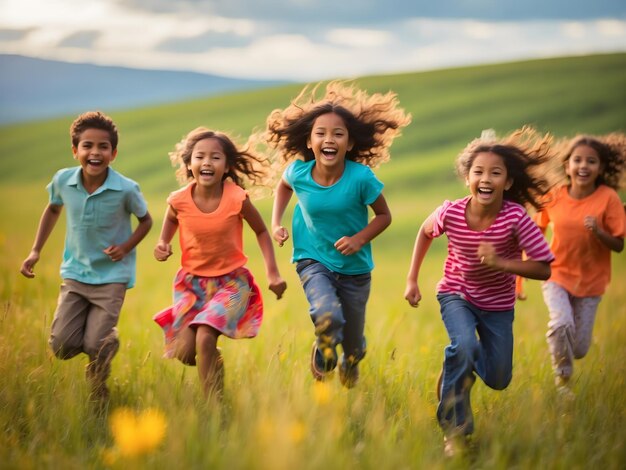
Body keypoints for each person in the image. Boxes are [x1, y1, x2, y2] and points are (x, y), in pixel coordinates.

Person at [404, 127, 555, 456]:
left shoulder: (516, 218)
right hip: (456, 294)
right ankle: (455, 433)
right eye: (478, 172)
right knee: (466, 346)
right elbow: (425, 231)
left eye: (495, 173)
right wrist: (412, 279)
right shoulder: (452, 211)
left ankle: (456, 364)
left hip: (498, 307)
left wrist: (501, 263)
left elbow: (543, 267)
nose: (486, 178)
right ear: (467, 178)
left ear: (508, 182)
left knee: (499, 378)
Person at [266, 81, 411, 388]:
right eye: (321, 133)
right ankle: (324, 353)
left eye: (338, 134)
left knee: (355, 344)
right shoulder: (298, 173)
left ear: (349, 144)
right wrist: (276, 221)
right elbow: (283, 185)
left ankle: (351, 360)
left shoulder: (361, 178)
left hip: (355, 270)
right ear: (309, 142)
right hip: (312, 259)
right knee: (327, 315)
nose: (328, 139)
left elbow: (384, 216)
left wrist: (360, 238)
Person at [20, 111, 153, 403]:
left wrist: (126, 247)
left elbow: (146, 221)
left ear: (113, 153)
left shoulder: (126, 189)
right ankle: (106, 341)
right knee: (63, 346)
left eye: (103, 147)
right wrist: (35, 250)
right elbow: (53, 209)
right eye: (87, 145)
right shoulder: (63, 180)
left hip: (112, 278)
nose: (95, 152)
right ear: (75, 150)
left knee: (96, 343)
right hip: (75, 274)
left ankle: (98, 388)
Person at [153, 127, 287, 399]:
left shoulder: (236, 197)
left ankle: (214, 408)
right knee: (185, 352)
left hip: (232, 283)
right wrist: (163, 242)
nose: (207, 162)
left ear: (226, 166)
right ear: (189, 164)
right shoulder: (178, 200)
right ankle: (214, 362)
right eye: (200, 156)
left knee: (205, 337)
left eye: (215, 157)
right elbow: (170, 219)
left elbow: (261, 231)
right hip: (192, 285)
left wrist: (272, 274)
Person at [531, 134, 625, 396]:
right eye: (578, 160)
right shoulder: (554, 196)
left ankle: (564, 352)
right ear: (567, 165)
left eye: (591, 161)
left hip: (592, 281)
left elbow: (619, 245)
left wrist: (598, 231)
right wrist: (524, 270)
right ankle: (563, 382)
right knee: (562, 323)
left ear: (602, 168)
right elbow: (536, 230)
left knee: (580, 348)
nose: (583, 166)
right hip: (556, 273)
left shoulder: (608, 199)